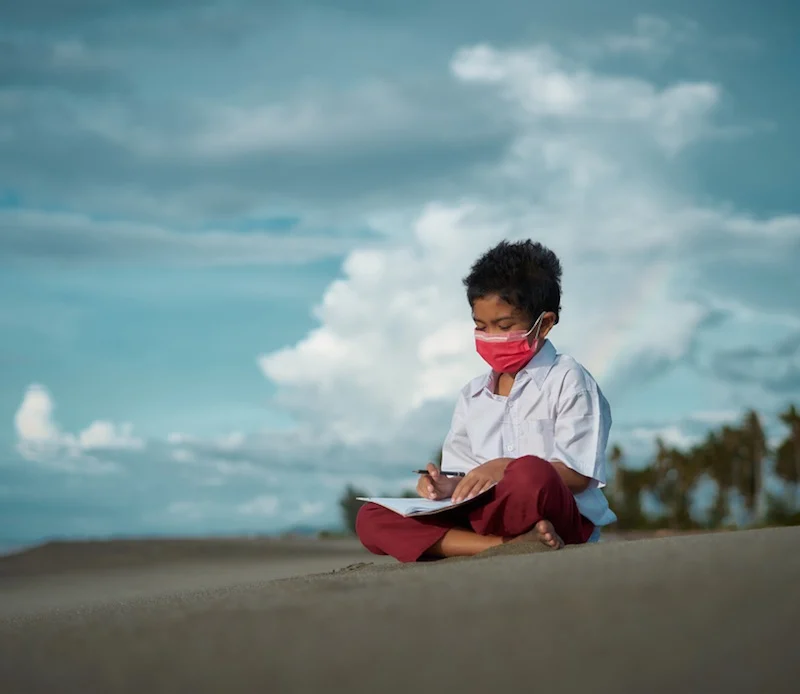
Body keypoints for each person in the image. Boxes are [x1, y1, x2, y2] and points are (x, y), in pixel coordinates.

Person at [356, 239, 617, 562]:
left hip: (561, 516)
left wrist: (502, 468)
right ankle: (504, 545)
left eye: (504, 326)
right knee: (372, 516)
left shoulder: (568, 380)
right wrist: (443, 487)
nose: (491, 336)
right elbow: (464, 478)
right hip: (486, 518)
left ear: (545, 324)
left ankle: (503, 538)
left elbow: (578, 476)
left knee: (530, 475)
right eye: (481, 327)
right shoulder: (473, 394)